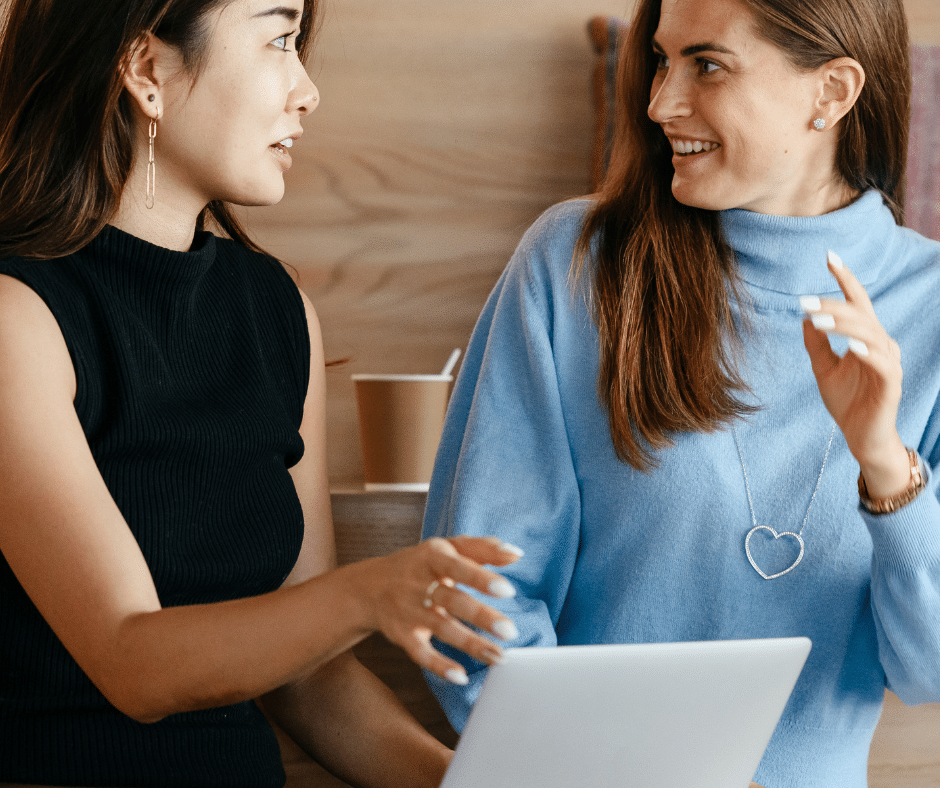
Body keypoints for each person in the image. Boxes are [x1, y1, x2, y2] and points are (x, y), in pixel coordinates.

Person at [0, 1, 522, 786]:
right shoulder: (18, 318)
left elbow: (309, 680)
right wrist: (365, 594)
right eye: (279, 39)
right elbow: (131, 662)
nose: (306, 90)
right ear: (146, 70)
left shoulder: (278, 311)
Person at [421, 0, 940, 785]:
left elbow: (927, 670)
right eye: (662, 61)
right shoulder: (576, 264)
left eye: (708, 64)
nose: (660, 102)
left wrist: (884, 465)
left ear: (831, 93)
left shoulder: (931, 307)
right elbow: (476, 604)